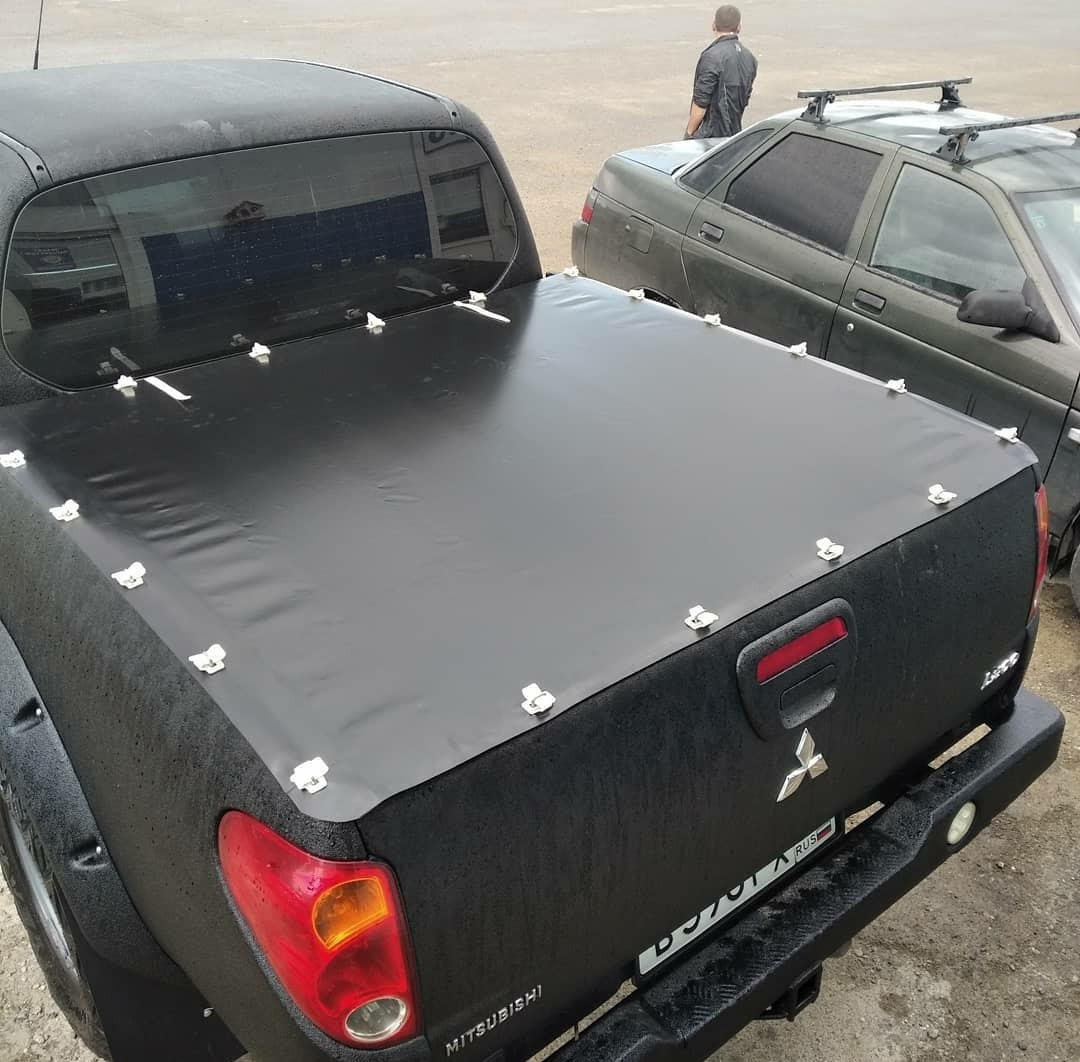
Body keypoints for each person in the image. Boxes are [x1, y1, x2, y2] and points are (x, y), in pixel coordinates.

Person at [685, 6, 757, 140]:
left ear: (714, 25)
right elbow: (744, 99)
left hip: (710, 136)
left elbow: (700, 103)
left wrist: (689, 133)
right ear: (739, 27)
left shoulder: (711, 56)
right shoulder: (750, 58)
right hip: (734, 135)